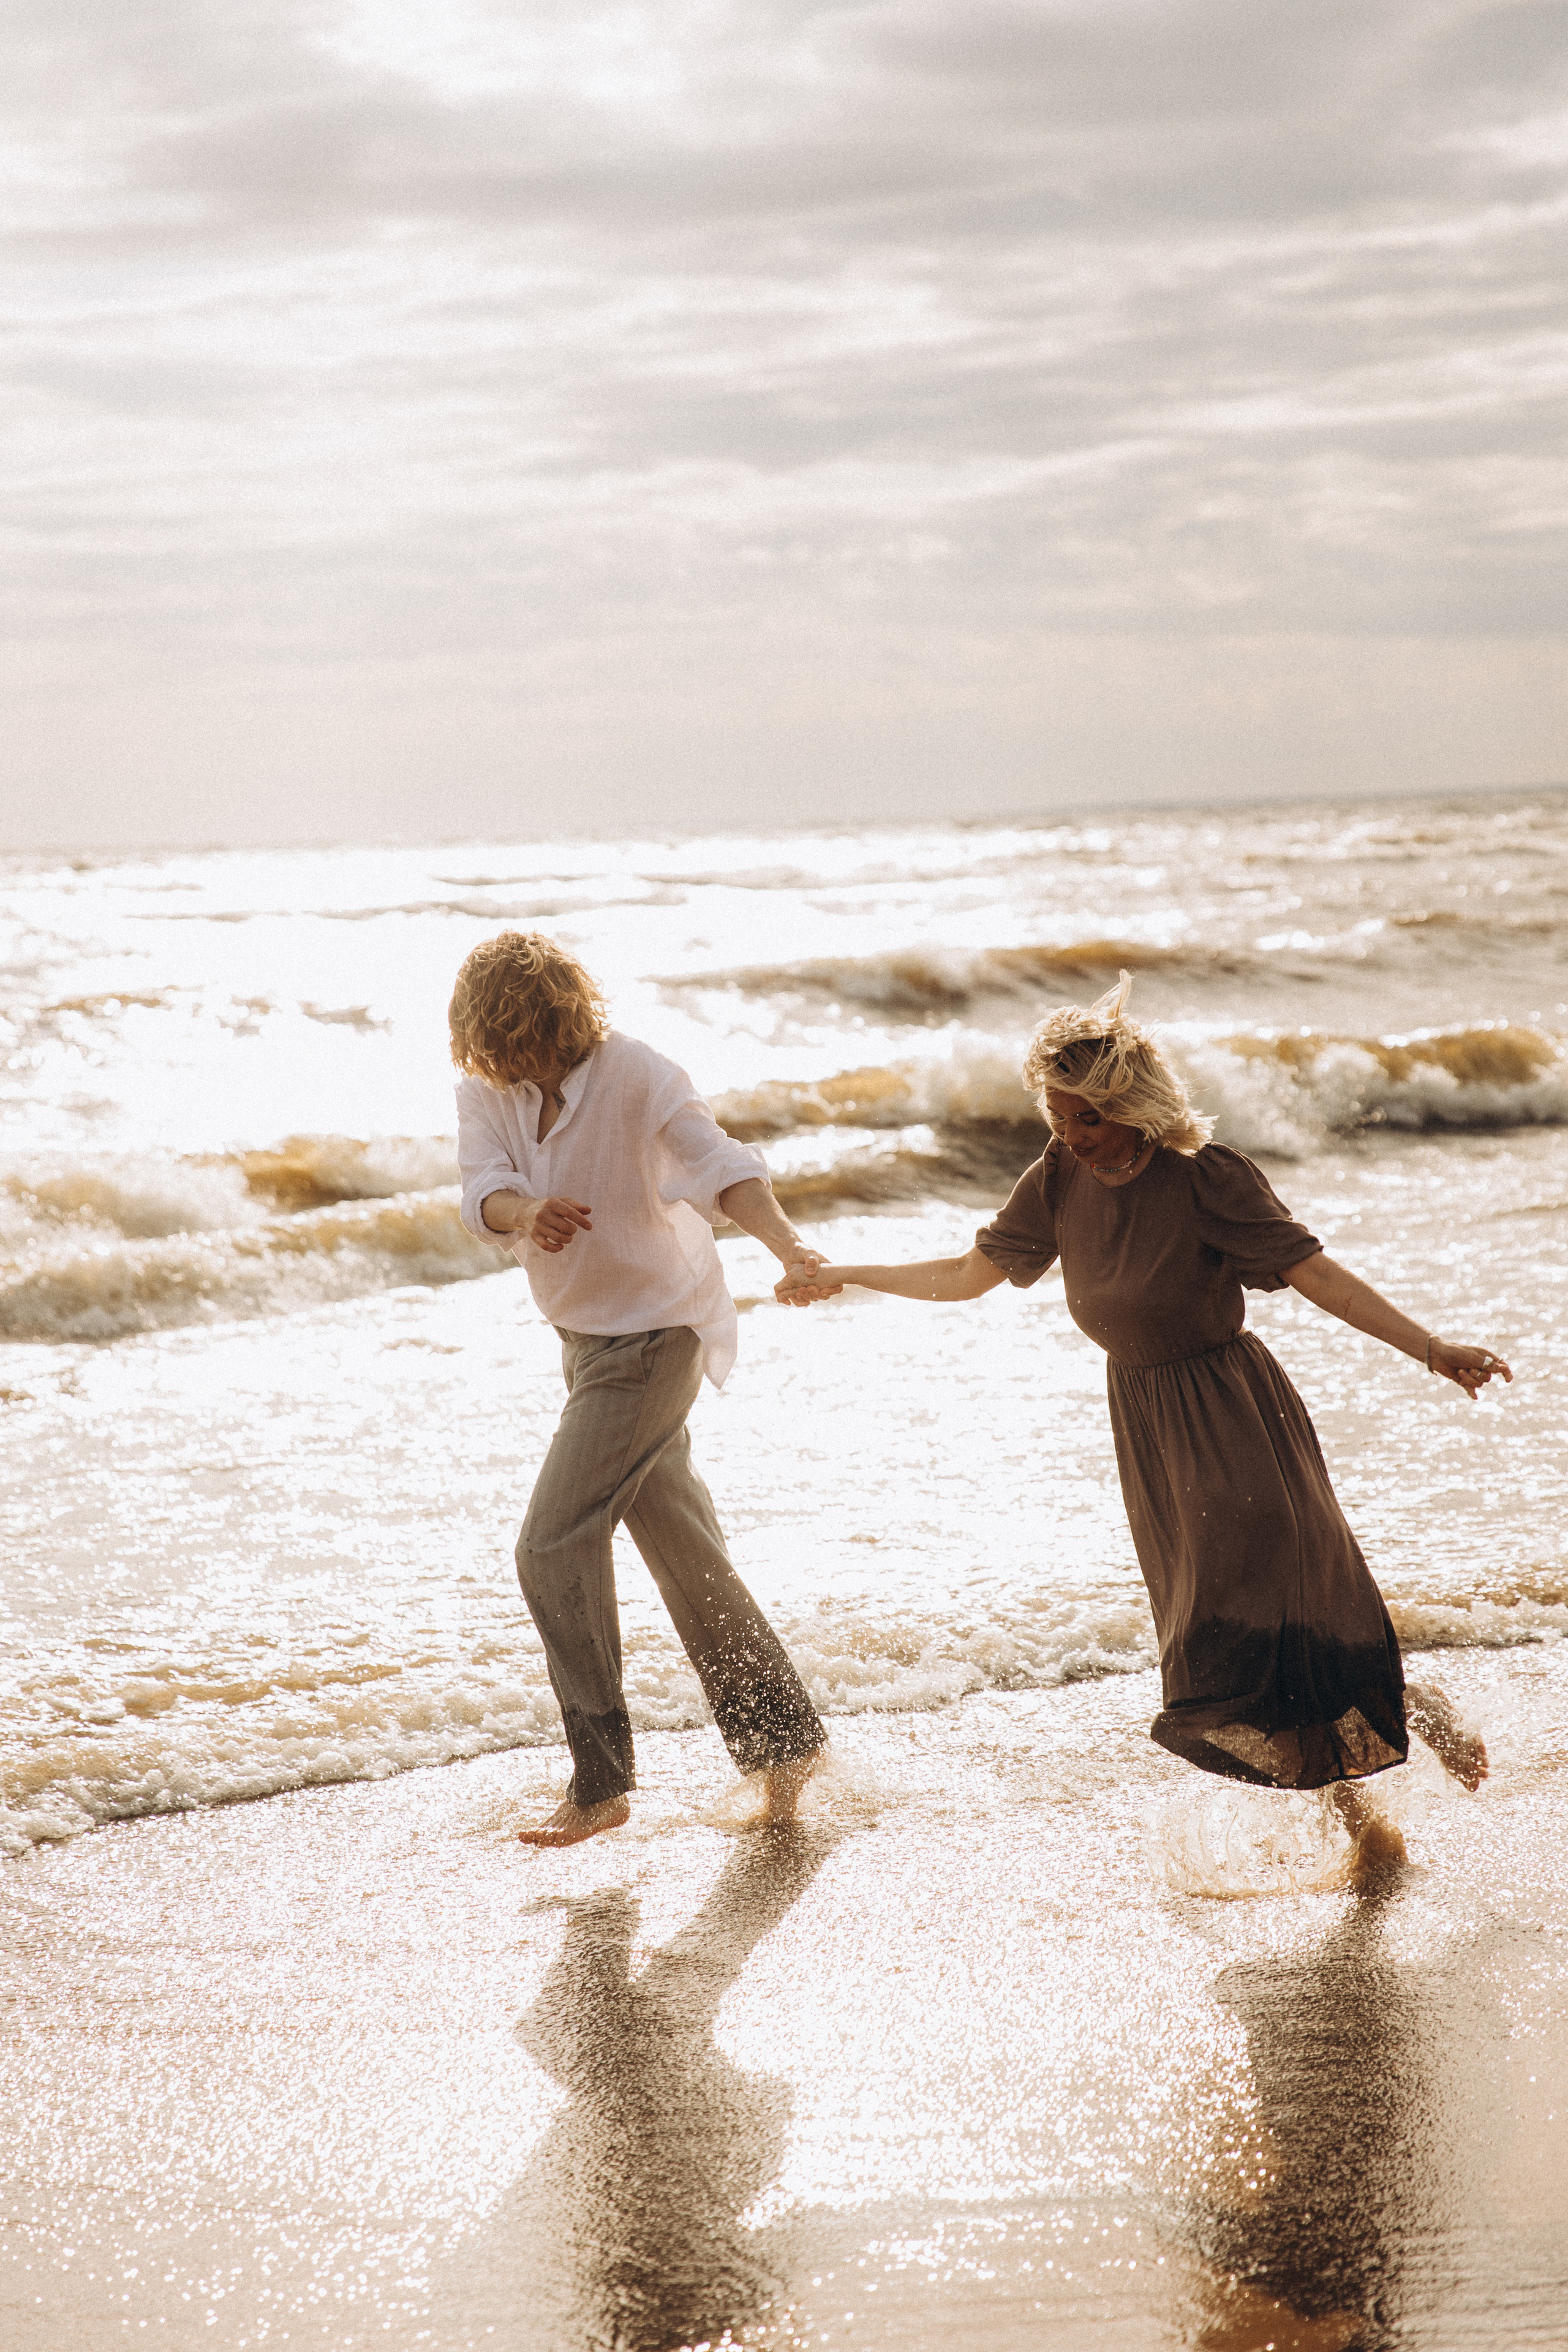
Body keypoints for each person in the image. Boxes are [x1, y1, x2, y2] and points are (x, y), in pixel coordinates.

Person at [779, 974, 1509, 1891]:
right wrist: (847, 1271)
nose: (1071, 1139)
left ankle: (1406, 1718)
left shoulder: (1206, 1176)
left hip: (1233, 1413)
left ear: (1131, 1106)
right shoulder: (1054, 1178)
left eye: (1086, 1119)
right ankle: (1363, 1820)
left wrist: (1431, 1348)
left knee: (1276, 1602)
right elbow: (969, 1275)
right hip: (1150, 1425)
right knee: (1226, 1628)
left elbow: (1318, 1277)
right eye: (1057, 1118)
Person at [452, 930, 827, 1847]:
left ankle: (601, 1781)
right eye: (494, 1054)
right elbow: (482, 1189)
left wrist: (791, 1250)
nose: (511, 1069)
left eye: (524, 1047)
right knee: (685, 1554)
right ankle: (784, 1748)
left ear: (559, 1023)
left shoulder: (639, 1075)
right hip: (584, 1343)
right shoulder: (490, 1089)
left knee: (549, 1544)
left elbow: (721, 1166)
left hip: (656, 1339)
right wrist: (524, 1212)